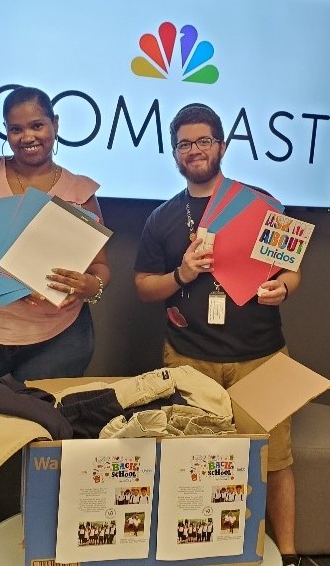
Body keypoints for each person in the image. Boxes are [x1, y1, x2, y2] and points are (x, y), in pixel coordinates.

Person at [134, 103, 301, 566]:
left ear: (221, 146)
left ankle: (286, 555)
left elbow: (291, 269)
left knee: (276, 460)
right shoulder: (162, 219)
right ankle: (200, 554)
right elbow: (145, 287)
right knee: (194, 462)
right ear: (174, 154)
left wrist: (282, 288)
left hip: (263, 357)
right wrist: (182, 274)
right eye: (185, 143)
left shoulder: (261, 203)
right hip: (190, 359)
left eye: (204, 140)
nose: (195, 150)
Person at [0, 86, 110, 542]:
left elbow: (99, 269)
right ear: (5, 132)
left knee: (45, 448)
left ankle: (38, 541)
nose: (28, 136)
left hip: (57, 343)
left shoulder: (80, 191)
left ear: (55, 127)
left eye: (37, 125)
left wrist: (91, 288)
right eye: (16, 128)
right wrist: (10, 281)